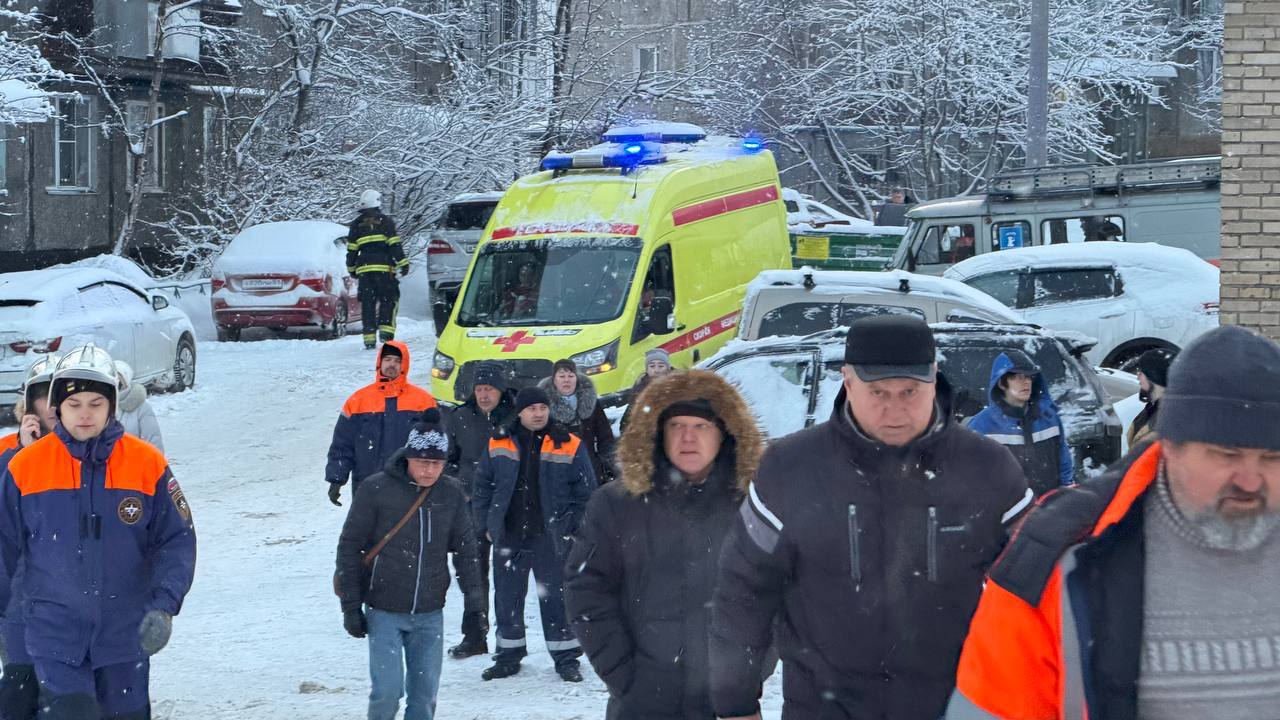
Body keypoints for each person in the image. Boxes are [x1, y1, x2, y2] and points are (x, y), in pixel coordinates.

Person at [946, 326, 1280, 720]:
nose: (1250, 481)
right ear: (1170, 447)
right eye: (1225, 455)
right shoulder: (1056, 557)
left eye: (1272, 458)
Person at [708, 315, 1030, 720]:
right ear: (848, 381)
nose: (894, 409)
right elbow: (744, 590)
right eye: (878, 392)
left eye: (910, 392)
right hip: (823, 707)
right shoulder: (789, 469)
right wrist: (735, 704)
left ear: (933, 378)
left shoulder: (987, 468)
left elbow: (1035, 587)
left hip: (954, 705)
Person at [0, 343, 196, 719]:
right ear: (58, 408)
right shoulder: (26, 467)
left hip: (125, 637)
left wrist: (164, 606)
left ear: (112, 406)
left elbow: (177, 539)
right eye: (74, 404)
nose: (85, 414)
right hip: (54, 635)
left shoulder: (146, 463)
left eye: (96, 403)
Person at [565, 370, 763, 720]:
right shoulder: (616, 503)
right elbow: (587, 590)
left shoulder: (751, 506)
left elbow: (775, 592)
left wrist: (746, 676)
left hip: (728, 703)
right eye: (676, 426)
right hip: (640, 701)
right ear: (657, 433)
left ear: (724, 433)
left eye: (701, 426)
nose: (688, 437)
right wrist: (624, 676)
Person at [336, 408, 485, 720]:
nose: (430, 471)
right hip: (384, 609)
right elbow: (350, 547)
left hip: (430, 612)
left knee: (424, 697)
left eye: (437, 464)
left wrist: (475, 604)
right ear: (408, 458)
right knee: (387, 693)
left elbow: (466, 551)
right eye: (422, 463)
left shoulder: (450, 493)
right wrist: (350, 607)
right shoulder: (376, 489)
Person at [471, 386, 596, 683]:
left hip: (551, 537)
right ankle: (508, 656)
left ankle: (566, 658)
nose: (538, 414)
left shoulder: (569, 443)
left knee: (557, 600)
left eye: (543, 408)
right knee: (507, 599)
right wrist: (486, 523)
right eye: (532, 409)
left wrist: (571, 526)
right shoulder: (499, 441)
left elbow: (587, 492)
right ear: (520, 412)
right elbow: (482, 485)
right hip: (509, 534)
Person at [0, 355, 59, 720]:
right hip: (15, 596)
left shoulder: (92, 447)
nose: (52, 405)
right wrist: (24, 452)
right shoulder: (7, 449)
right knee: (21, 683)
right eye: (43, 396)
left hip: (74, 598)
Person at [442, 362, 515, 659]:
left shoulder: (515, 417)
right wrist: (462, 485)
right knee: (473, 574)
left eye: (490, 389)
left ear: (501, 391)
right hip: (472, 508)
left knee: (510, 577)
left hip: (510, 508)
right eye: (479, 389)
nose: (484, 395)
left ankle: (511, 640)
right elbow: (447, 461)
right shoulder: (459, 417)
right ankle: (474, 636)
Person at [326, 341, 437, 507]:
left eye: (397, 361)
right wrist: (336, 478)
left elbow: (436, 446)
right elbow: (343, 443)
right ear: (379, 362)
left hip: (409, 485)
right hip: (367, 483)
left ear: (404, 365)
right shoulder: (358, 401)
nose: (392, 364)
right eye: (387, 359)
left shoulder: (423, 401)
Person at [966, 350, 1073, 496]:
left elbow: (1064, 464)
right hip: (1006, 508)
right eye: (1019, 377)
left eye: (1029, 376)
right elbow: (971, 477)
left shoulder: (1049, 418)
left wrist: (1066, 493)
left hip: (1049, 505)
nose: (1027, 381)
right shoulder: (981, 426)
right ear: (1001, 383)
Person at [538, 359, 617, 483]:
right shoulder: (543, 405)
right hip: (556, 469)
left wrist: (606, 462)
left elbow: (605, 436)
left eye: (571, 376)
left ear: (576, 378)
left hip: (588, 467)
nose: (566, 380)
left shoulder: (590, 402)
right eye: (562, 376)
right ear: (554, 380)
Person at [347, 189, 408, 349]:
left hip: (365, 272)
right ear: (377, 203)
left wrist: (351, 269)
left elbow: (352, 251)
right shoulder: (386, 222)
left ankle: (369, 338)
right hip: (384, 271)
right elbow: (394, 245)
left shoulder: (355, 225)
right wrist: (403, 263)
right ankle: (386, 334)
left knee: (368, 304)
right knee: (389, 299)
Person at [1128, 347, 1177, 447]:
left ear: (1154, 377)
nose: (1138, 377)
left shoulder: (1170, 421)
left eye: (1141, 372)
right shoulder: (1152, 408)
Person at [618, 348, 674, 432]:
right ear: (647, 370)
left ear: (668, 368)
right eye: (652, 366)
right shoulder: (640, 389)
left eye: (661, 366)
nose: (656, 370)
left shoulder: (678, 388)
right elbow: (627, 420)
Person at [113, 360, 164, 452]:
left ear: (126, 381)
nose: (115, 383)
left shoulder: (141, 407)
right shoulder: (100, 406)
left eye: (118, 379)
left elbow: (153, 440)